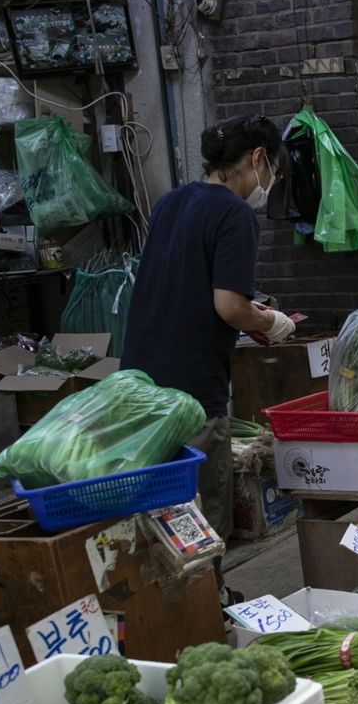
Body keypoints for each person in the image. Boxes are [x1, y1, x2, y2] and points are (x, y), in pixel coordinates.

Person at [121, 115, 295, 589]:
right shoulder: (234, 213)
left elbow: (187, 285)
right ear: (258, 159)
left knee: (156, 506)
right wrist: (269, 321)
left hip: (140, 381)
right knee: (200, 513)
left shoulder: (170, 202)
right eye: (272, 171)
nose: (268, 185)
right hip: (193, 388)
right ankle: (203, 609)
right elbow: (229, 306)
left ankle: (163, 606)